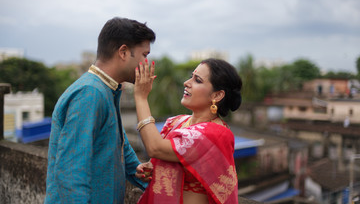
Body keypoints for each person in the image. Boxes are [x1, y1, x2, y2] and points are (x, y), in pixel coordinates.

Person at [45, 17, 156, 204]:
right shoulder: (90, 93)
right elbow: (71, 174)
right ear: (123, 52)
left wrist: (137, 169)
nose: (147, 62)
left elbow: (116, 142)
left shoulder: (106, 89)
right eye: (144, 55)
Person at [133, 58, 242, 204]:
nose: (186, 83)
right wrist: (152, 168)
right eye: (191, 76)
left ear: (216, 95)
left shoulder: (215, 134)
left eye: (197, 80)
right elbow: (164, 156)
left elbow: (155, 148)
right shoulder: (177, 122)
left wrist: (141, 98)